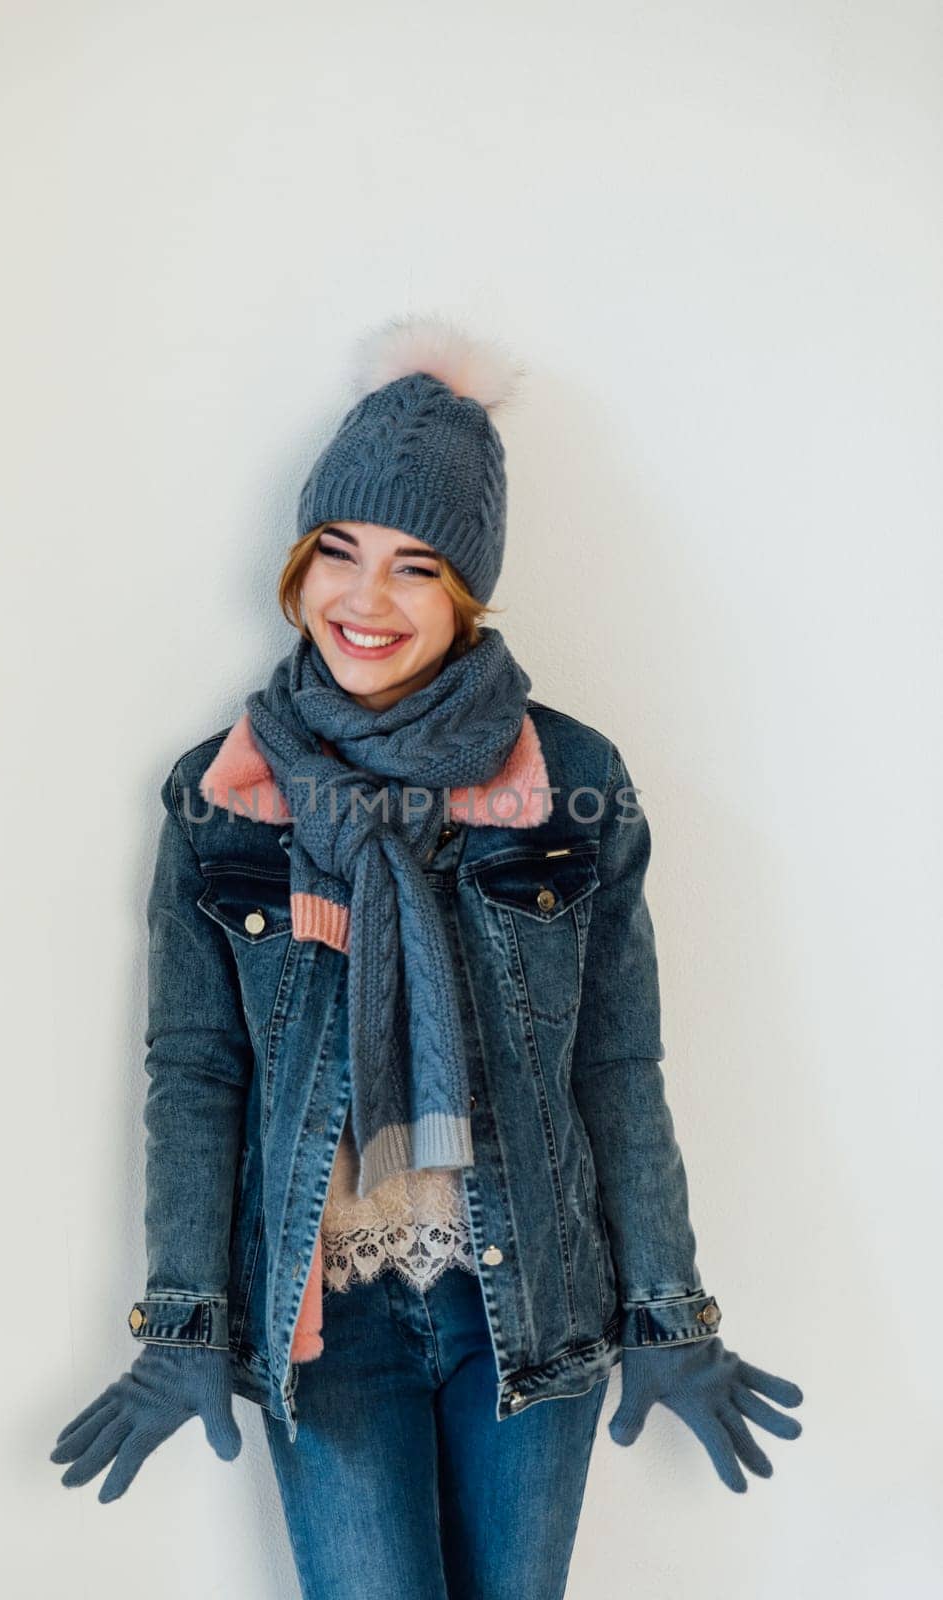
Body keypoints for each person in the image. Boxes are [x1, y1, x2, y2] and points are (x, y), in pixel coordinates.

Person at [51, 315, 804, 1598]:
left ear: (465, 590)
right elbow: (195, 1071)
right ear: (296, 562)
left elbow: (616, 1064)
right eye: (336, 552)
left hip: (530, 1302)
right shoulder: (220, 794)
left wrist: (669, 1310)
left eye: (414, 567)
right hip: (322, 1316)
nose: (363, 599)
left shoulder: (569, 781)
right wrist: (182, 1315)